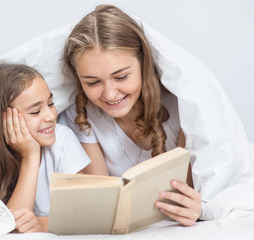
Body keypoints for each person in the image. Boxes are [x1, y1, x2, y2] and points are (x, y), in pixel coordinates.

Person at [58, 4, 201, 226]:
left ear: (143, 65)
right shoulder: (83, 116)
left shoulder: (180, 106)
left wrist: (197, 209)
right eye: (93, 82)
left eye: (121, 77)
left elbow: (190, 192)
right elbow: (102, 204)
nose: (110, 93)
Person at [0, 63, 90, 233]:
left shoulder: (62, 139)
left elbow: (83, 212)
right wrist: (31, 156)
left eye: (51, 103)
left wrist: (43, 225)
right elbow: (12, 227)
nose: (50, 116)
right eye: (35, 112)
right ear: (1, 121)